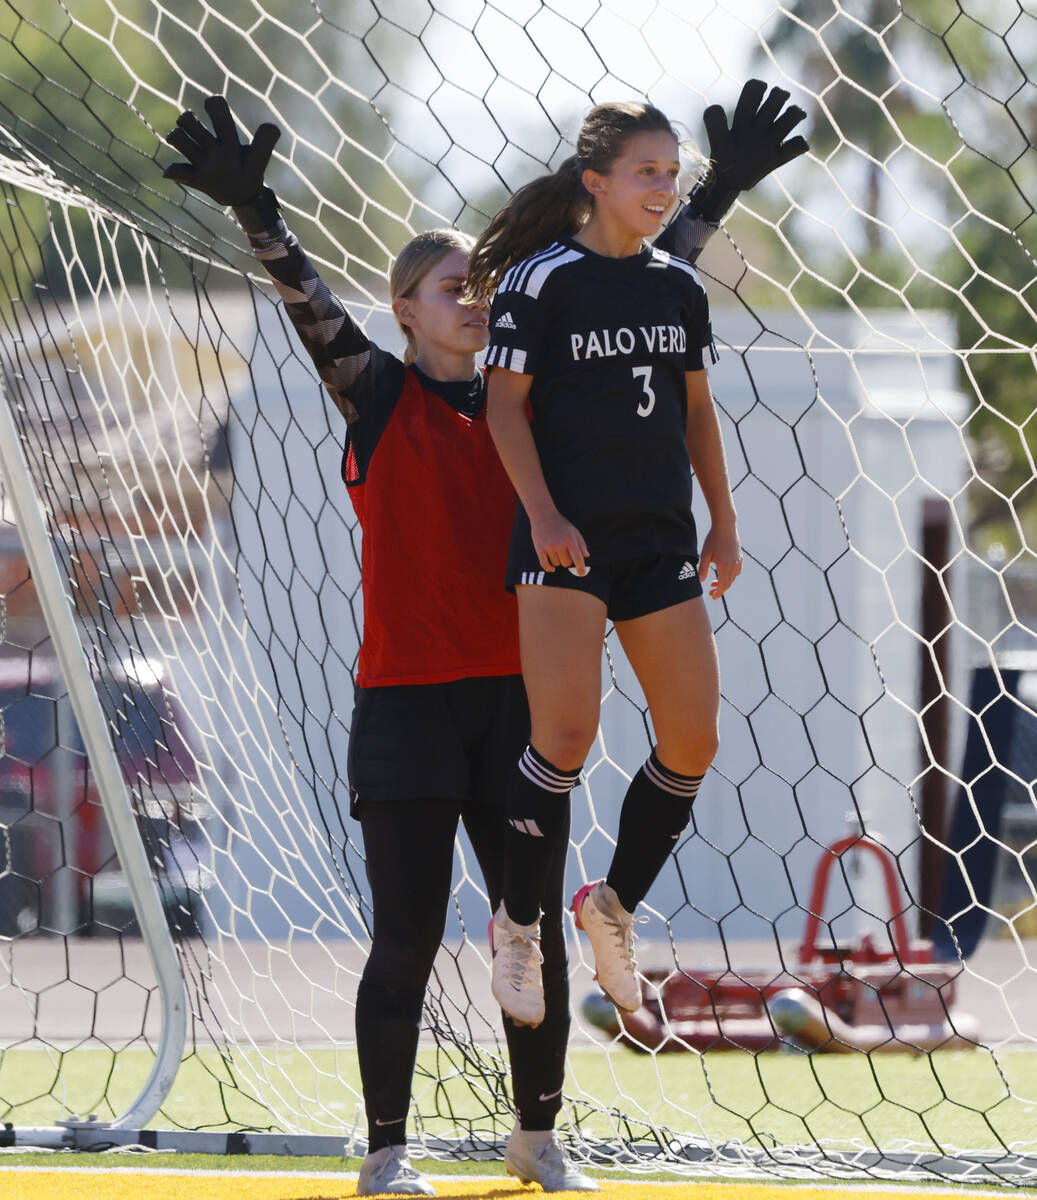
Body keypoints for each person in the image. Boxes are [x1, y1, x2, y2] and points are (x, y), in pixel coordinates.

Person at [162, 85, 805, 1194]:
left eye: (478, 284)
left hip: (515, 695)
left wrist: (720, 184)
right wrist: (257, 217)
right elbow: (305, 298)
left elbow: (646, 275)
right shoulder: (375, 395)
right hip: (408, 703)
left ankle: (537, 1139)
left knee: (533, 936)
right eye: (444, 288)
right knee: (405, 936)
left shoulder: (543, 380)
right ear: (405, 311)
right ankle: (383, 1151)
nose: (469, 298)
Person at [468, 92, 804, 1031]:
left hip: (659, 542)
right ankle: (519, 927)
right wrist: (541, 515)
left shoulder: (677, 286)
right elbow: (502, 408)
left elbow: (697, 411)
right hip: (563, 541)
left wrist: (723, 525)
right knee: (565, 737)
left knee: (693, 739)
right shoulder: (542, 280)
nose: (662, 187)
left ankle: (609, 908)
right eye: (645, 172)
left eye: (671, 172)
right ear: (596, 182)